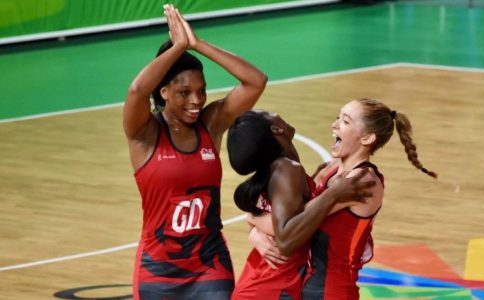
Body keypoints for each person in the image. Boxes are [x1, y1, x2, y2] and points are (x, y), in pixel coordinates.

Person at [122, 4, 267, 299]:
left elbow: (256, 81)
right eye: (184, 92)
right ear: (164, 92)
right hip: (157, 269)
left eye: (201, 90)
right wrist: (177, 48)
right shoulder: (144, 133)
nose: (196, 100)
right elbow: (137, 91)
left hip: (208, 266)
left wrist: (197, 44)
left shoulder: (211, 125)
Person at [247, 98, 437, 299]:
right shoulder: (330, 168)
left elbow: (292, 223)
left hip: (331, 290)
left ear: (367, 138)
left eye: (345, 121)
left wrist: (251, 219)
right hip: (302, 285)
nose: (335, 124)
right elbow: (284, 214)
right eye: (338, 117)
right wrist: (255, 233)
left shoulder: (362, 181)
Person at [226, 110, 376, 299]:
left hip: (264, 281)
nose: (277, 112)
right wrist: (334, 194)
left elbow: (283, 216)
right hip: (271, 286)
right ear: (277, 129)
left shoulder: (282, 169)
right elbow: (286, 239)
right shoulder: (288, 170)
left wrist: (253, 225)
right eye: (268, 113)